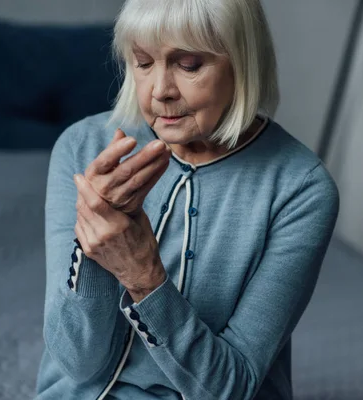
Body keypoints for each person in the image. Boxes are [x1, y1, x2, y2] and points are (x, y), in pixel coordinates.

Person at [35, 0, 339, 399]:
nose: (160, 91)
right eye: (143, 63)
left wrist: (144, 278)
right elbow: (77, 362)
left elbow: (231, 388)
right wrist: (94, 251)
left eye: (189, 64)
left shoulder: (300, 188)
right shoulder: (83, 147)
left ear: (242, 62)